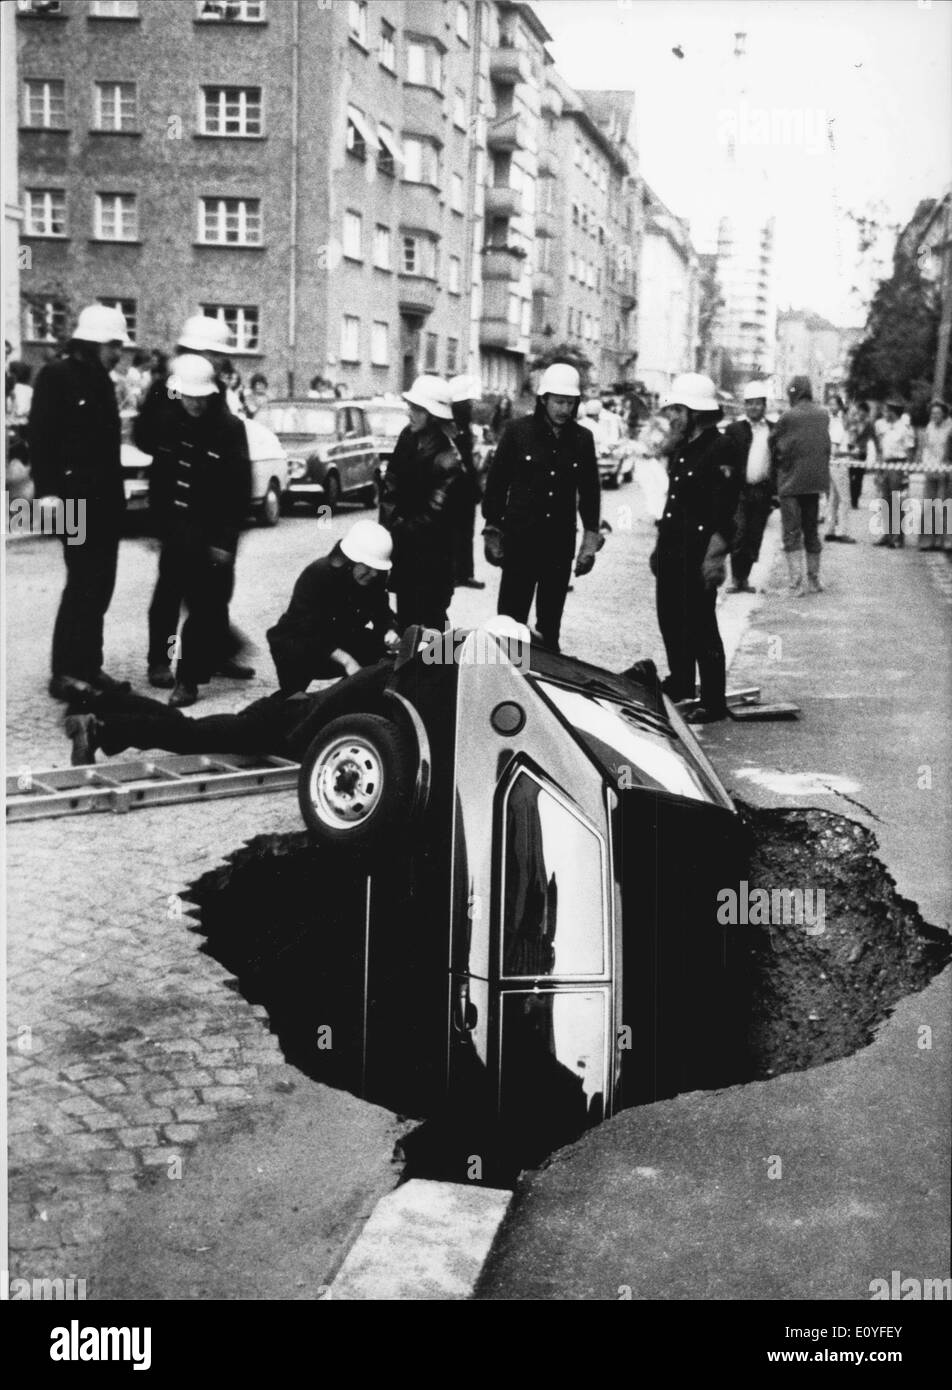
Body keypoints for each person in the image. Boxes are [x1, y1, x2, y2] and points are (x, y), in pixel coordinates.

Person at [136, 315, 255, 684]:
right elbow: (146, 438)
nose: (223, 362)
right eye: (216, 354)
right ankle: (161, 660)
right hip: (177, 509)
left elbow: (229, 449)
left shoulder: (215, 389)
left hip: (211, 508)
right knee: (172, 589)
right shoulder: (167, 388)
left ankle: (214, 653)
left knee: (217, 588)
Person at [28, 304, 132, 702]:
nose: (118, 352)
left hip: (104, 501)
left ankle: (89, 665)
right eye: (113, 344)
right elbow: (41, 438)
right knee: (81, 584)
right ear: (92, 343)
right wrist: (48, 493)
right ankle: (65, 672)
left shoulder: (102, 381)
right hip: (70, 499)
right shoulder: (55, 376)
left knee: (100, 585)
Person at [629, 373, 739, 724]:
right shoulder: (684, 445)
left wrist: (715, 557)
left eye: (679, 409)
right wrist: (660, 549)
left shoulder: (720, 447)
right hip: (674, 546)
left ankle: (713, 699)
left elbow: (725, 511)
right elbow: (671, 502)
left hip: (699, 550)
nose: (672, 415)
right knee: (671, 619)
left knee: (701, 625)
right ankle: (680, 682)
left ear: (697, 411)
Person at [63, 658, 396, 767]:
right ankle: (100, 729)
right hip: (279, 724)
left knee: (187, 727)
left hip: (282, 712)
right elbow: (335, 699)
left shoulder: (397, 673)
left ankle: (106, 701)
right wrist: (296, 741)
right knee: (191, 736)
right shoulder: (389, 675)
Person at [481, 362, 601, 653]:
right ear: (544, 399)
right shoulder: (517, 431)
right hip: (520, 540)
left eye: (570, 403)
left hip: (558, 544)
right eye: (559, 402)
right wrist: (492, 528)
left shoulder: (582, 439)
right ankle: (508, 682)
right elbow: (496, 484)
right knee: (510, 625)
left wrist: (590, 538)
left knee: (549, 626)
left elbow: (589, 492)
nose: (564, 409)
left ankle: (543, 684)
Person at [267, 520, 399, 694]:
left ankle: (350, 695)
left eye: (377, 569)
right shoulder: (318, 574)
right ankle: (291, 699)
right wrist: (347, 661)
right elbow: (308, 630)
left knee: (379, 652)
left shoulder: (374, 580)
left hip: (339, 637)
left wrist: (390, 630)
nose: (373, 574)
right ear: (350, 559)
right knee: (294, 700)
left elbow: (382, 613)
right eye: (368, 567)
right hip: (300, 643)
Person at [379, 374, 463, 632]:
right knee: (406, 622)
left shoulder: (449, 458)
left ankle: (434, 670)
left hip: (432, 558)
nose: (410, 413)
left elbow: (434, 516)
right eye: (411, 407)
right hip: (404, 550)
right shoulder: (408, 437)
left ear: (433, 414)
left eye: (417, 409)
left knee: (431, 624)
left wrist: (398, 528)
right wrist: (390, 523)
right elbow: (391, 483)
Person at [770, 376, 831, 593]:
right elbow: (826, 446)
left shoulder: (788, 416)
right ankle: (814, 579)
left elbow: (775, 444)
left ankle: (796, 583)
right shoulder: (823, 414)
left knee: (792, 533)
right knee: (812, 531)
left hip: (790, 482)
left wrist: (776, 471)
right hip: (815, 482)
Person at [724, 381, 776, 590]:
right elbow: (724, 458)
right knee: (739, 534)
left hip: (762, 491)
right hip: (739, 491)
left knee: (754, 536)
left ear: (764, 405)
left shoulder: (773, 430)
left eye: (758, 403)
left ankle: (744, 578)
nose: (754, 407)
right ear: (745, 406)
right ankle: (736, 579)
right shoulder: (734, 429)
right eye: (750, 403)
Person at [448, 373, 486, 590]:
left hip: (466, 490)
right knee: (456, 532)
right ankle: (456, 572)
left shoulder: (465, 428)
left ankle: (465, 572)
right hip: (455, 490)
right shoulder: (453, 428)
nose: (471, 407)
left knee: (467, 532)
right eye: (468, 404)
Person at [873, 399, 916, 549]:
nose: (885, 413)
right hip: (886, 464)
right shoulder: (882, 426)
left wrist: (906, 471)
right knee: (885, 500)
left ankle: (898, 537)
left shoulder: (905, 427)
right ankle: (887, 534)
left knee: (898, 501)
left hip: (898, 465)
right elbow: (880, 447)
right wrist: (878, 468)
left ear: (894, 412)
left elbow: (910, 450)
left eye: (887, 411)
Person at [917, 400, 952, 552]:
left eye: (938, 413)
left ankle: (945, 541)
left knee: (945, 506)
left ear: (944, 413)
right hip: (931, 470)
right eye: (932, 413)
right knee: (928, 505)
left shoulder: (950, 427)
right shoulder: (929, 427)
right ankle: (927, 541)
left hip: (946, 471)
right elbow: (926, 448)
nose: (935, 415)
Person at [824, 396, 856, 543]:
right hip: (839, 464)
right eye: (830, 404)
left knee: (833, 499)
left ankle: (830, 530)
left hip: (832, 464)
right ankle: (843, 531)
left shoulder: (832, 422)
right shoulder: (837, 425)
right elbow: (835, 450)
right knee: (845, 499)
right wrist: (851, 453)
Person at [847, 400, 879, 509]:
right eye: (860, 411)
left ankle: (855, 499)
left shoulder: (869, 425)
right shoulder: (852, 422)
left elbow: (874, 438)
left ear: (866, 413)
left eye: (864, 412)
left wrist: (879, 451)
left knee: (859, 478)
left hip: (862, 453)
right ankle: (851, 498)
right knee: (851, 477)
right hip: (851, 452)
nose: (861, 414)